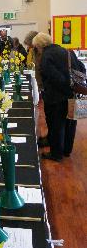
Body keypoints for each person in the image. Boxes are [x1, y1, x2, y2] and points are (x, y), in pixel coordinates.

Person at [32, 33, 76, 162]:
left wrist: (63, 88)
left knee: (56, 125)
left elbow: (54, 76)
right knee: (69, 123)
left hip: (56, 97)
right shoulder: (65, 51)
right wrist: (70, 88)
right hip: (72, 95)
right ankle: (66, 151)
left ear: (40, 46)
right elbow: (82, 68)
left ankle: (56, 154)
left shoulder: (46, 56)